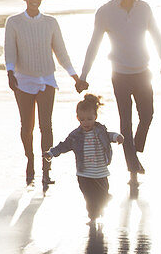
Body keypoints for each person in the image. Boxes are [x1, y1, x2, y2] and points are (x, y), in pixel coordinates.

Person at [78, 0, 161, 188]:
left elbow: (156, 34)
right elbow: (94, 44)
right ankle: (132, 165)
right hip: (119, 73)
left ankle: (134, 148)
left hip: (142, 71)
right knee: (125, 121)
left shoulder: (144, 8)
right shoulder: (105, 12)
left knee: (147, 115)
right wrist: (84, 75)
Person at [4, 0, 84, 188]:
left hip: (47, 80)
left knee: (46, 126)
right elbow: (9, 51)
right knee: (26, 126)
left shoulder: (51, 23)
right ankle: (30, 161)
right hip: (23, 80)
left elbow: (61, 52)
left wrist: (75, 77)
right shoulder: (13, 22)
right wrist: (10, 73)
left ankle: (46, 168)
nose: (34, 0)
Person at [44, 94, 124, 224]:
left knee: (103, 195)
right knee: (89, 197)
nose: (86, 122)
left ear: (95, 117)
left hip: (100, 172)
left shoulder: (100, 130)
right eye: (82, 120)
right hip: (84, 173)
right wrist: (51, 153)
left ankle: (103, 204)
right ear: (78, 118)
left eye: (89, 119)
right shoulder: (76, 136)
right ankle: (92, 216)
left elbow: (109, 136)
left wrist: (117, 136)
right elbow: (64, 145)